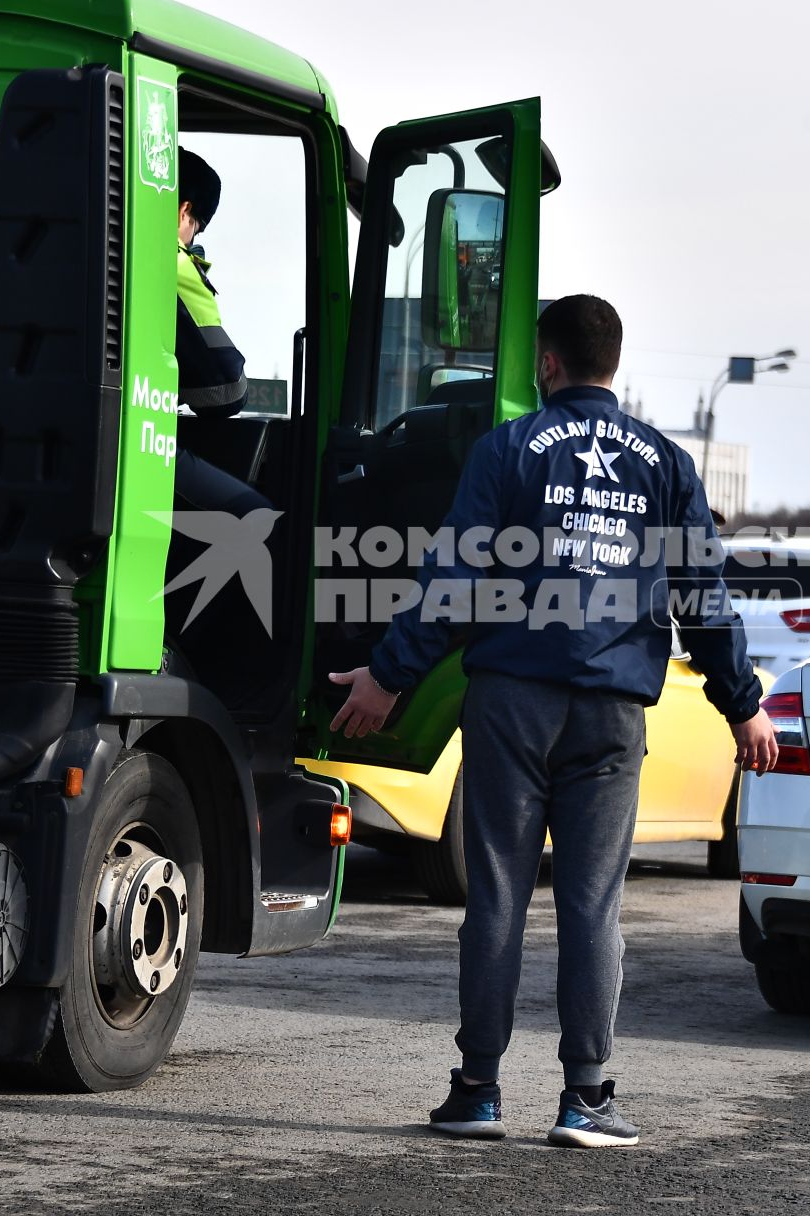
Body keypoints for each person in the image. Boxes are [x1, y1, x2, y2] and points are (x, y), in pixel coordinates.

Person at [328, 294, 778, 1148]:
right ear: (613, 364)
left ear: (548, 362)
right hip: (611, 714)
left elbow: (453, 572)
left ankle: (477, 1093)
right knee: (592, 902)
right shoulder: (665, 462)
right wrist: (742, 705)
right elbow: (703, 599)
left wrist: (389, 677)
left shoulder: (508, 448)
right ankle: (585, 1100)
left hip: (511, 702)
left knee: (497, 892)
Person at [172, 148, 264, 515]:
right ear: (184, 211)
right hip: (127, 439)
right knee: (258, 519)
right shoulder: (174, 261)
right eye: (195, 227)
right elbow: (227, 391)